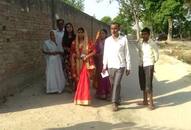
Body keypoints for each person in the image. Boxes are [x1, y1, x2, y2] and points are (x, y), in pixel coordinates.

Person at [102, 22, 131, 111]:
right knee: (113, 84)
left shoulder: (123, 40)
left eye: (115, 28)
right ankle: (117, 98)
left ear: (119, 29)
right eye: (112, 29)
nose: (113, 30)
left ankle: (114, 102)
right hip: (110, 65)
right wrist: (104, 65)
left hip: (120, 65)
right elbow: (105, 54)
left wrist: (128, 66)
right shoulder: (107, 40)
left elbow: (127, 53)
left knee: (117, 83)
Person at [71, 27, 96, 105]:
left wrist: (87, 56)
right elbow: (72, 52)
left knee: (84, 80)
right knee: (79, 81)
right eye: (78, 32)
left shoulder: (89, 42)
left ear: (84, 33)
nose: (80, 34)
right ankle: (80, 98)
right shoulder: (74, 42)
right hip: (78, 63)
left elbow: (94, 51)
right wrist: (75, 55)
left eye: (82, 32)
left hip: (86, 63)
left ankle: (84, 98)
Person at [137, 27, 159, 110]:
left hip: (149, 65)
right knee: (142, 83)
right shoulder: (140, 43)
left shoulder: (152, 43)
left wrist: (152, 64)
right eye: (142, 34)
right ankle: (145, 101)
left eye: (145, 34)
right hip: (141, 64)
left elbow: (157, 55)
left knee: (148, 84)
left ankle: (151, 104)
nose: (143, 35)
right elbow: (139, 52)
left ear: (149, 35)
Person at [94, 29, 111, 100]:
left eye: (103, 33)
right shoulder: (97, 42)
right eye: (100, 33)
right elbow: (94, 51)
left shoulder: (109, 42)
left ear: (106, 34)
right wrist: (97, 55)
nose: (102, 35)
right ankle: (100, 93)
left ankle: (106, 93)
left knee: (105, 77)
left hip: (106, 63)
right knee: (99, 77)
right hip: (99, 62)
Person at [62, 22, 76, 91]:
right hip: (67, 56)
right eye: (67, 27)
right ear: (66, 28)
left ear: (72, 28)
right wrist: (67, 49)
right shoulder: (64, 37)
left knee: (74, 70)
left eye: (70, 27)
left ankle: (75, 85)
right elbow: (63, 46)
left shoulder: (75, 36)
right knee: (68, 71)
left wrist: (73, 50)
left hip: (74, 56)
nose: (69, 28)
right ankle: (70, 86)